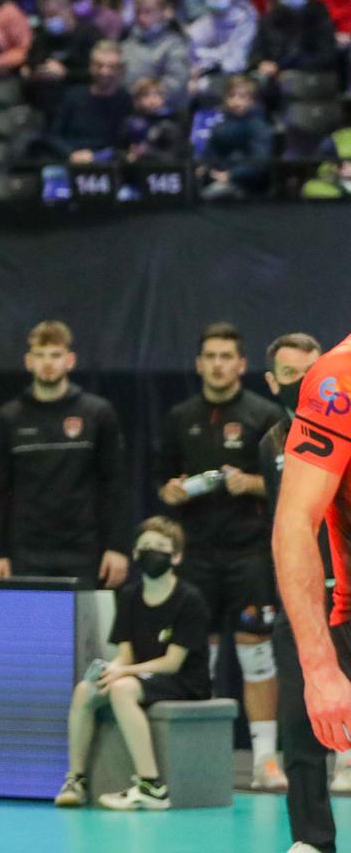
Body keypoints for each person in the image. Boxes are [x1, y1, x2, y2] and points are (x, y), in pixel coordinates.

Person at [158, 321, 288, 790]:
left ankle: (265, 761)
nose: (217, 364)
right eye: (209, 356)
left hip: (249, 553)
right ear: (198, 364)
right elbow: (161, 480)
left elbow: (287, 482)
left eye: (225, 355)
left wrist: (251, 483)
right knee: (199, 658)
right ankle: (202, 760)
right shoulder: (179, 417)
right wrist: (170, 492)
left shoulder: (264, 413)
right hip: (194, 557)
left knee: (257, 655)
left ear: (241, 363)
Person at [257, 334, 347, 852]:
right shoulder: (272, 442)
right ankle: (311, 841)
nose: (305, 383)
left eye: (308, 371)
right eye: (292, 376)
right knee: (303, 723)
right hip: (310, 602)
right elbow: (286, 523)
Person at [54, 517, 211, 811]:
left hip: (185, 682)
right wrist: (111, 670)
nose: (152, 552)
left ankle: (151, 785)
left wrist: (123, 673)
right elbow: (126, 654)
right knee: (84, 690)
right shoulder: (128, 596)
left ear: (176, 556)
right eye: (146, 547)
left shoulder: (189, 599)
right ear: (136, 554)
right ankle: (76, 779)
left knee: (122, 689)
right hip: (142, 675)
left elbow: (173, 663)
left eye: (161, 547)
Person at [0, 320, 129, 584]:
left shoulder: (97, 413)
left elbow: (115, 485)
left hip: (84, 550)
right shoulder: (8, 418)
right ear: (28, 361)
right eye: (40, 355)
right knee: (30, 626)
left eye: (55, 355)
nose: (48, 363)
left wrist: (117, 547)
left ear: (70, 360)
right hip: (27, 552)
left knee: (85, 627)